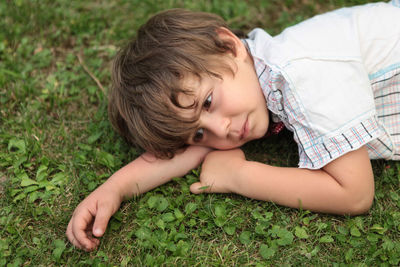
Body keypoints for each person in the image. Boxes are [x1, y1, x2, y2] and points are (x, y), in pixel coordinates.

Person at [66, 1, 400, 251]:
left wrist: (238, 177)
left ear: (228, 46)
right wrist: (115, 188)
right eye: (199, 132)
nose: (221, 130)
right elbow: (186, 150)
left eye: (208, 102)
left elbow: (354, 194)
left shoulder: (301, 73)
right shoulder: (248, 75)